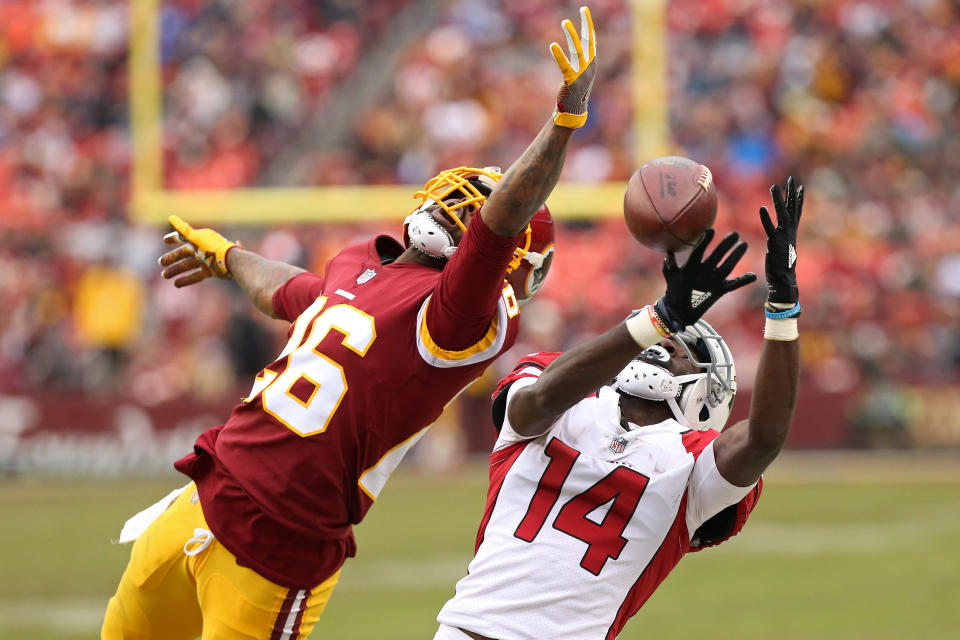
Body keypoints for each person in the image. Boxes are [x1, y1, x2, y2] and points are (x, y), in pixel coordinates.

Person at [101, 7, 598, 639]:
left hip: (213, 501)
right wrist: (564, 122)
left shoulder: (375, 274)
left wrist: (230, 257)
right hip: (263, 532)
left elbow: (283, 286)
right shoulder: (438, 307)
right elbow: (499, 223)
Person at [435, 177, 804, 640]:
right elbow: (539, 401)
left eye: (682, 348)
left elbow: (765, 437)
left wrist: (783, 305)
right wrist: (657, 318)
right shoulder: (565, 393)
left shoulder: (693, 464)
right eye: (665, 337)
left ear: (709, 393)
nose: (666, 346)